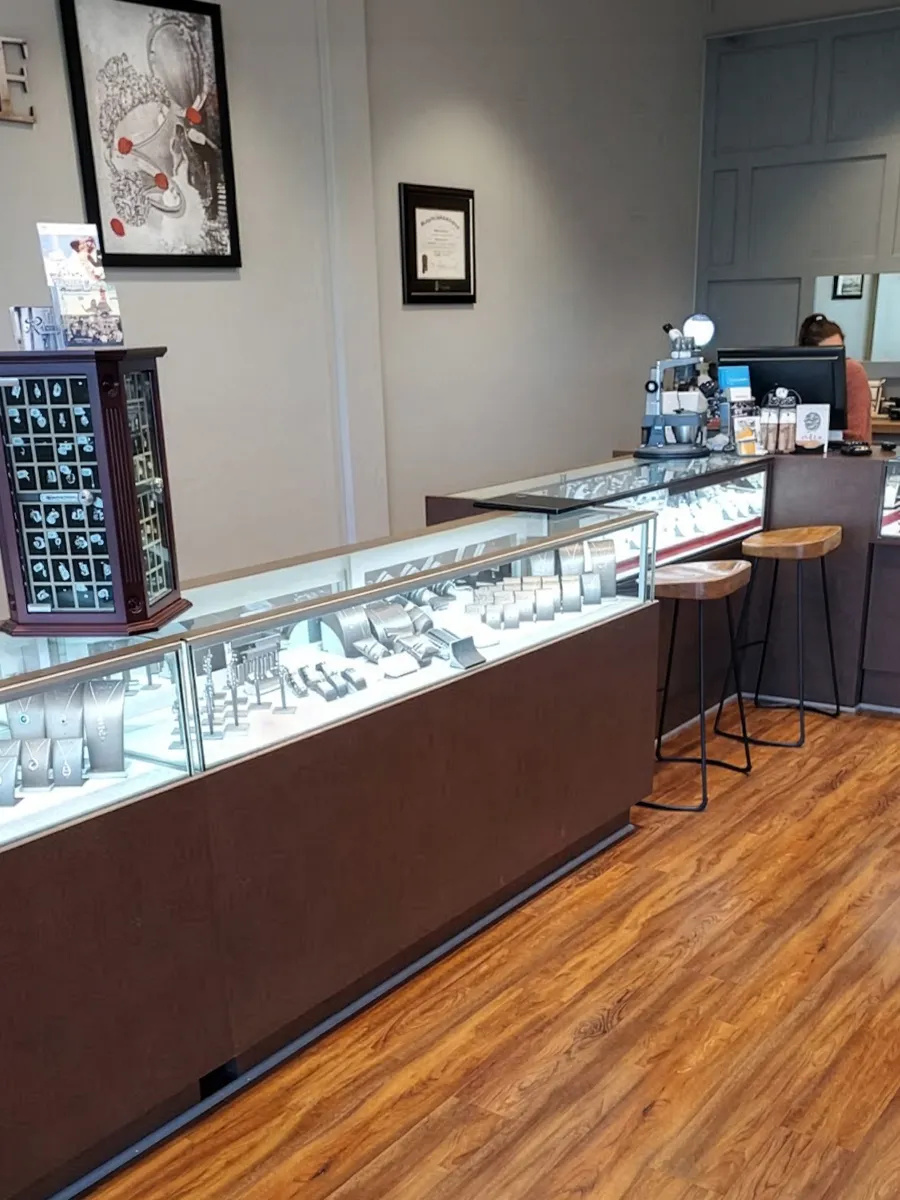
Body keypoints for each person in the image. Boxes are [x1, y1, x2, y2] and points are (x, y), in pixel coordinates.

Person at [798, 313, 872, 442]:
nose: (837, 360)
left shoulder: (852, 371)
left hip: (844, 451)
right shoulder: (800, 373)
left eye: (839, 351)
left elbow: (857, 434)